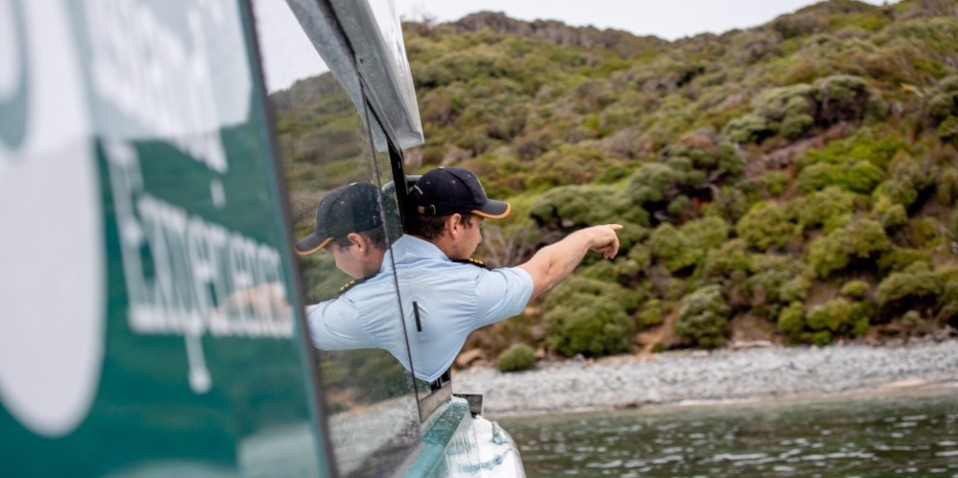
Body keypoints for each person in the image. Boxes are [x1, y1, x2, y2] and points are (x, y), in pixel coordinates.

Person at [302, 167, 621, 383]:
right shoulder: (465, 288)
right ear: (455, 225)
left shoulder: (363, 301)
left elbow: (296, 327)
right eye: (478, 225)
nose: (480, 238)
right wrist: (588, 236)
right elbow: (546, 270)